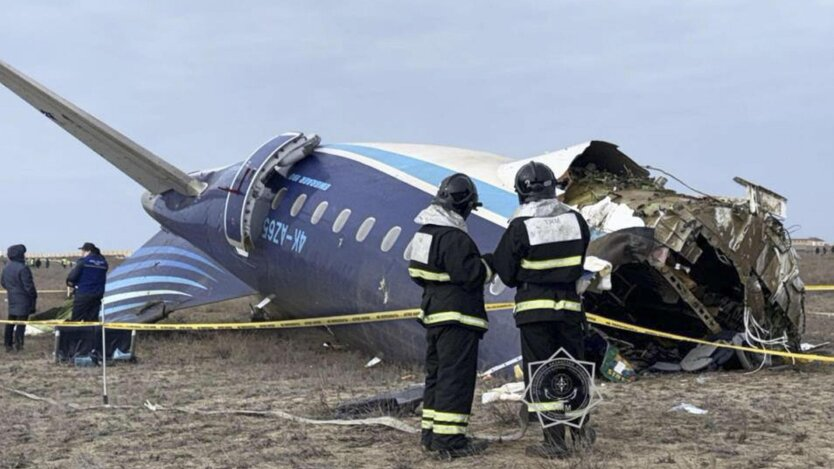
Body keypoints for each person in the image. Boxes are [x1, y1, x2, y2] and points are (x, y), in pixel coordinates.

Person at [492, 161, 594, 458]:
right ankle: (581, 430)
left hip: (535, 312)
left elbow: (507, 273)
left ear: (521, 193)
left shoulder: (520, 226)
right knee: (573, 368)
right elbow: (580, 261)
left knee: (543, 373)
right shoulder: (575, 221)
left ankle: (554, 442)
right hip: (570, 309)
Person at [407, 173, 492, 459]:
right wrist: (489, 264)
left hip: (433, 315)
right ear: (466, 205)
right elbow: (471, 275)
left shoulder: (424, 233)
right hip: (458, 319)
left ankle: (431, 435)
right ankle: (450, 441)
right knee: (456, 378)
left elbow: (415, 273)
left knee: (437, 376)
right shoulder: (455, 238)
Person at [1, 244, 37, 352]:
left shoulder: (6, 267)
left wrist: (12, 290)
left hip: (12, 298)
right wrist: (33, 296)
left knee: (10, 322)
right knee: (21, 324)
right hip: (24, 300)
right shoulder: (23, 268)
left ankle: (8, 344)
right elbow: (29, 286)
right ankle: (19, 345)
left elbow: (3, 282)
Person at [66, 242, 109, 322]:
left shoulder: (83, 262)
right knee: (92, 320)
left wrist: (71, 283)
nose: (81, 253)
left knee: (76, 319)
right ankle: (91, 334)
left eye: (83, 251)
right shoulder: (103, 263)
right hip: (98, 295)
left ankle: (75, 334)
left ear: (88, 251)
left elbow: (72, 277)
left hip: (83, 293)